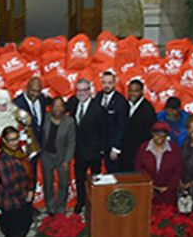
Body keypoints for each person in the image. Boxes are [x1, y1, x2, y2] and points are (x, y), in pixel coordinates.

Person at [68, 78, 108, 214]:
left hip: (94, 152)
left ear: (90, 91)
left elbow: (104, 132)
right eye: (79, 90)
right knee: (79, 179)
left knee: (96, 179)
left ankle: (96, 203)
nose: (81, 93)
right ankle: (80, 202)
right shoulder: (73, 103)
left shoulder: (98, 109)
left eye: (85, 90)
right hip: (78, 152)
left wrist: (100, 151)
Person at [0, 126, 34, 237]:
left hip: (23, 197)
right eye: (11, 140)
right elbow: (9, 184)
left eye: (16, 138)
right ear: (4, 141)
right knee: (17, 230)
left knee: (24, 225)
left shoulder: (18, 153)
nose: (14, 142)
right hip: (11, 201)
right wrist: (26, 194)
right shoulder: (3, 159)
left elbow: (28, 173)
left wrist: (30, 189)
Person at [39, 98, 75, 215]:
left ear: (64, 108)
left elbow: (71, 142)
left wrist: (67, 160)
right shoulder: (46, 118)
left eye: (60, 106)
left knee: (63, 184)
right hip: (46, 156)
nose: (58, 108)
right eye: (55, 106)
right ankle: (50, 207)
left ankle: (60, 207)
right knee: (48, 183)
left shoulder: (69, 121)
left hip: (62, 157)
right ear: (51, 107)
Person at [137, 121, 183, 208]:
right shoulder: (143, 148)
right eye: (157, 134)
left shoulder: (174, 149)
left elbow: (178, 170)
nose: (160, 137)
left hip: (169, 193)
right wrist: (150, 186)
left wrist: (169, 187)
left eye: (163, 135)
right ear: (152, 134)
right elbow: (139, 169)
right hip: (149, 192)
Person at [97, 70, 130, 172]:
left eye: (109, 83)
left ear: (114, 83)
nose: (106, 86)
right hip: (100, 145)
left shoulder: (121, 101)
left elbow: (122, 127)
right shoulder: (98, 97)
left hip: (113, 147)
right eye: (104, 82)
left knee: (114, 173)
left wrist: (116, 148)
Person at [122, 79, 157, 172]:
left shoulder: (147, 109)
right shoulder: (125, 105)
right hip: (125, 153)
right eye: (131, 91)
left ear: (142, 91)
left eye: (136, 91)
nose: (133, 94)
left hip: (138, 154)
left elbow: (147, 135)